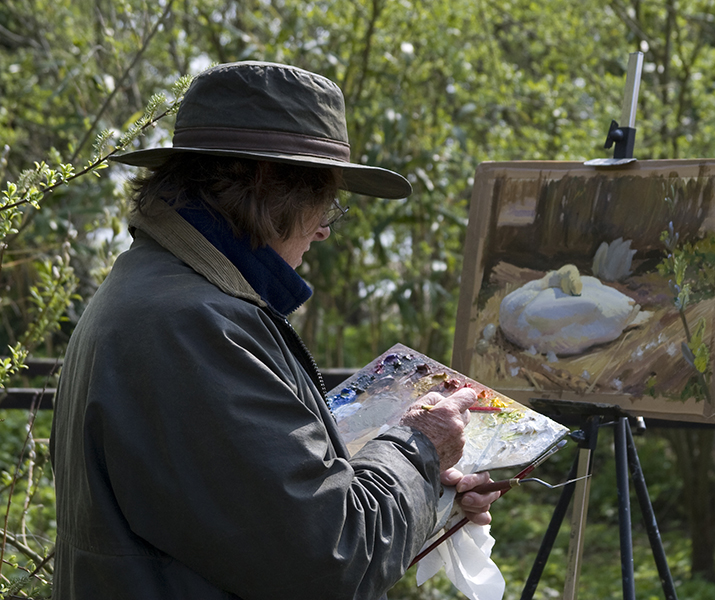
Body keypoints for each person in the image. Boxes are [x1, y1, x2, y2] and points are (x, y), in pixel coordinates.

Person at [49, 61, 500, 600]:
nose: (326, 228)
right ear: (271, 188)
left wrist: (427, 490)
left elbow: (252, 515)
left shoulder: (155, 289)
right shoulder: (197, 326)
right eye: (325, 202)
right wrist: (418, 445)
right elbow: (334, 559)